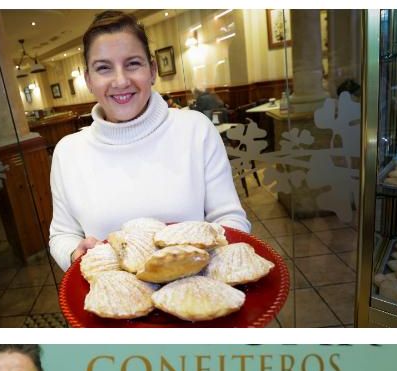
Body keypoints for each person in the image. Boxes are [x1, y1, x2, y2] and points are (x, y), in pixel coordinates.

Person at [47, 11, 251, 271]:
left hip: (197, 289)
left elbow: (229, 217)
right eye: (103, 68)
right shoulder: (68, 152)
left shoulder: (195, 129)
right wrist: (76, 254)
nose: (120, 81)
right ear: (88, 80)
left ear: (152, 70)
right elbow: (62, 234)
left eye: (133, 63)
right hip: (115, 300)